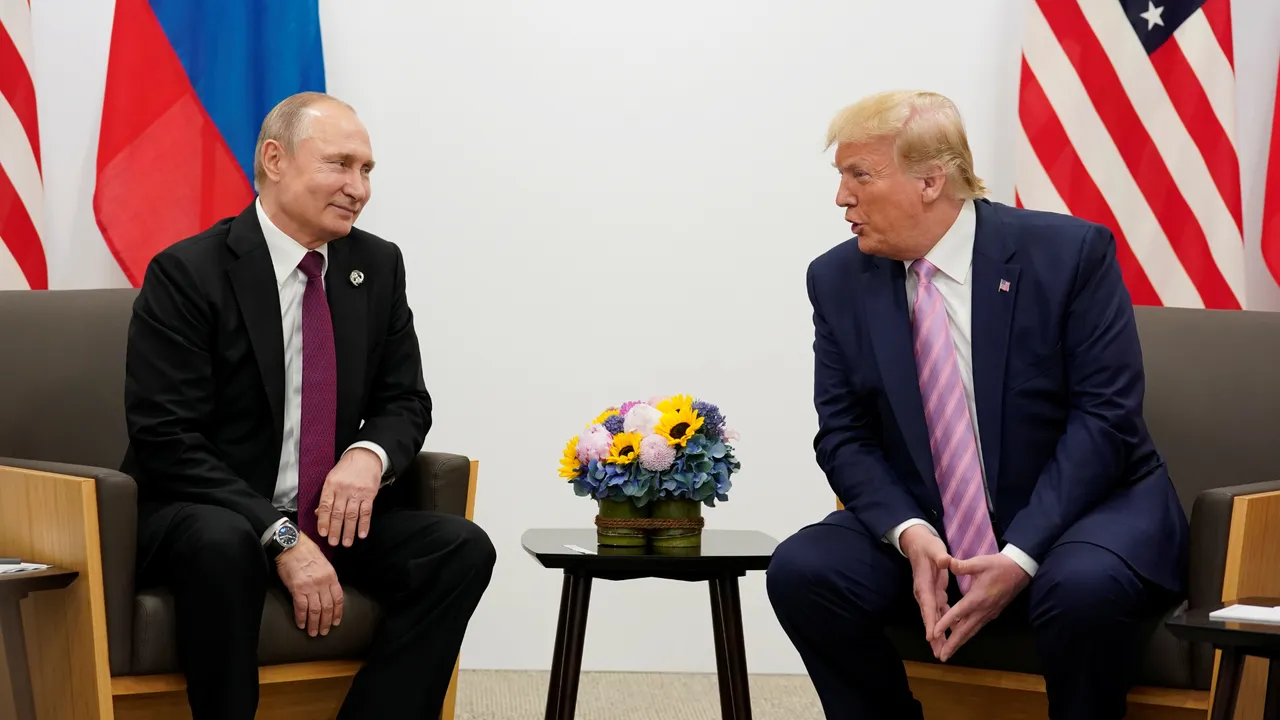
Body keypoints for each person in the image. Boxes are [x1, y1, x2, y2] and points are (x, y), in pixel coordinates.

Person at [766, 90, 1188, 720]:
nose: (842, 198)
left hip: (1083, 513)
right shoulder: (837, 279)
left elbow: (1105, 421)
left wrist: (1020, 555)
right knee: (804, 570)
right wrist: (910, 532)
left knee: (1080, 590)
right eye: (840, 177)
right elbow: (844, 435)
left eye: (860, 175)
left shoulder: (1069, 255)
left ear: (931, 180)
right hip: (933, 523)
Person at [121, 91, 495, 719]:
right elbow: (166, 438)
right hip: (207, 509)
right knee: (223, 541)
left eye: (367, 170)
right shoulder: (188, 273)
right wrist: (279, 533)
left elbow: (405, 398)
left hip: (324, 507)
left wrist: (368, 456)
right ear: (274, 159)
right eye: (339, 165)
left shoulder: (376, 265)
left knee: (459, 549)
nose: (359, 188)